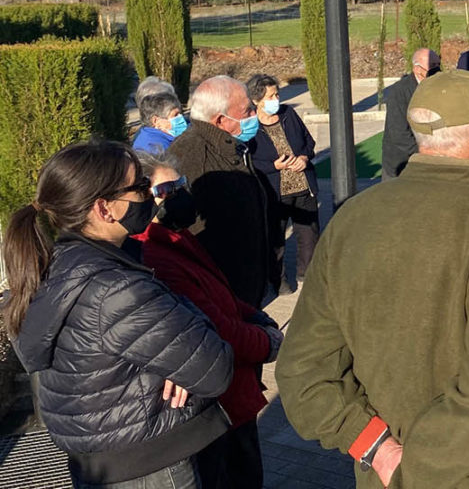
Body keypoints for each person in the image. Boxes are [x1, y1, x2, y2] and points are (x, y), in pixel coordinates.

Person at [277, 70, 469, 488]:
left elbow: (302, 374)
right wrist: (419, 470)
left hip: (385, 471)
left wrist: (377, 449)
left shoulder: (352, 216)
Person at [3, 140, 233, 488]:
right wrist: (179, 346)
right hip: (149, 467)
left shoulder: (61, 265)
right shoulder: (114, 287)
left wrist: (173, 355)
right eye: (140, 186)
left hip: (103, 462)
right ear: (104, 209)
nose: (150, 195)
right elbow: (215, 367)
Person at [134, 151, 284, 489]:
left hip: (231, 398)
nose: (179, 196)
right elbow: (215, 329)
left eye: (181, 185)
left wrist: (255, 316)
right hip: (216, 405)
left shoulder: (177, 238)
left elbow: (221, 296)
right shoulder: (155, 256)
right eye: (167, 189)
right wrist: (268, 343)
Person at [168, 75, 277, 308]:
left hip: (244, 292)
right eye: (247, 111)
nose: (254, 116)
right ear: (220, 120)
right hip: (220, 298)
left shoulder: (229, 145)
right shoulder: (190, 155)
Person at [245, 74, 320, 286]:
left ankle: (308, 275)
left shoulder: (289, 114)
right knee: (276, 240)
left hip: (303, 187)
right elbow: (248, 161)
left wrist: (304, 158)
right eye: (271, 96)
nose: (276, 99)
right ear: (256, 100)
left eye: (277, 94)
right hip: (275, 192)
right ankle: (279, 282)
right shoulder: (250, 127)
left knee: (309, 236)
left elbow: (309, 141)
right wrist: (273, 167)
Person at [381, 48, 440, 180]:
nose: (436, 70)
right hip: (400, 164)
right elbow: (398, 133)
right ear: (417, 69)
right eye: (432, 66)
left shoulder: (438, 87)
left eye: (438, 65)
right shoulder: (399, 92)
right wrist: (424, 152)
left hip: (428, 161)